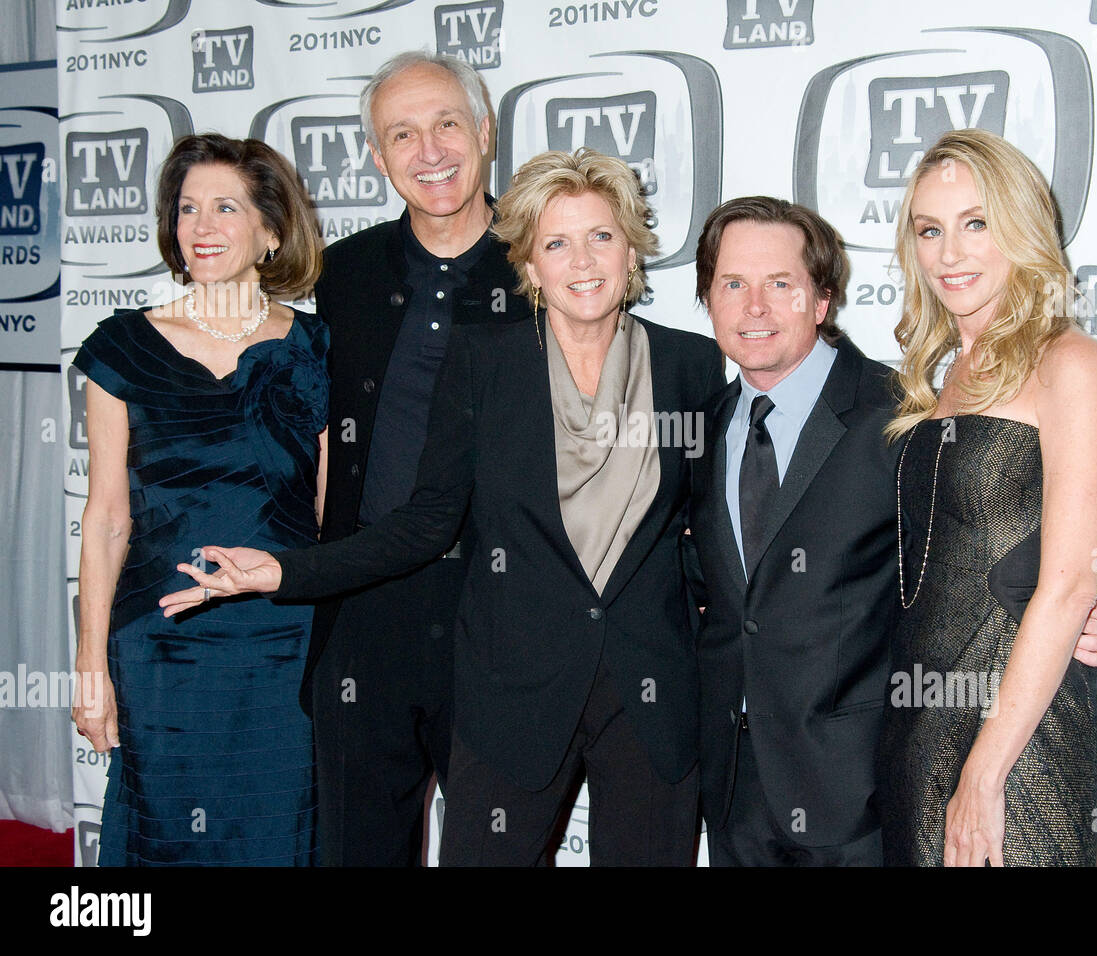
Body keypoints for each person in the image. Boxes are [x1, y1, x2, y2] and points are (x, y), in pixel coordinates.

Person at [160, 147, 726, 866]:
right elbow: (427, 521)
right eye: (557, 242)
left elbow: (710, 527)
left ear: (630, 250)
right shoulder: (483, 362)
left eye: (600, 237)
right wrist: (284, 572)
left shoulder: (691, 365)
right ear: (529, 264)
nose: (582, 261)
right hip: (512, 692)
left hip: (648, 700)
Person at [687, 195, 1097, 866]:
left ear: (822, 299)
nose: (755, 307)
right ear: (707, 298)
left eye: (781, 284)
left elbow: (971, 550)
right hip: (733, 790)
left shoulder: (905, 416)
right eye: (732, 284)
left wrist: (1091, 608)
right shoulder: (702, 427)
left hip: (859, 795)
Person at [72, 133, 326, 865]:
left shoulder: (316, 350)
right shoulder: (122, 348)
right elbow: (106, 520)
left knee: (282, 834)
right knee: (166, 838)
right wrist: (91, 666)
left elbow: (330, 516)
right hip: (162, 649)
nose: (202, 226)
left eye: (225, 207)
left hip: (286, 649)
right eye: (187, 209)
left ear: (271, 230)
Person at [305, 50, 530, 867]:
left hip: (499, 611)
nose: (429, 151)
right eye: (402, 133)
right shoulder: (344, 273)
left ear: (485, 130)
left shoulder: (547, 265)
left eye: (445, 124)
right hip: (365, 605)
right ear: (376, 155)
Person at [876, 128, 1097, 866]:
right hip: (917, 725)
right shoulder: (937, 379)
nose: (950, 253)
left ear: (1020, 227)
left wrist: (984, 774)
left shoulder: (1070, 362)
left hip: (1021, 735)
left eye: (975, 224)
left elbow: (1071, 579)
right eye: (930, 230)